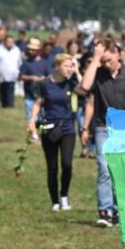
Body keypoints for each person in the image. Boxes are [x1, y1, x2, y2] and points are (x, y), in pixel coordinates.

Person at [81, 39, 125, 227]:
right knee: (104, 167)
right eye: (103, 61)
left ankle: (118, 210)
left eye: (109, 60)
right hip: (103, 127)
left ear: (117, 54)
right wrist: (96, 59)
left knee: (123, 170)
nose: (106, 64)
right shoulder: (98, 73)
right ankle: (105, 211)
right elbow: (85, 86)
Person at [29, 54, 78, 212]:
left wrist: (77, 72)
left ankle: (64, 196)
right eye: (66, 66)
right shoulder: (45, 84)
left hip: (68, 128)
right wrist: (32, 121)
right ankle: (54, 201)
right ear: (57, 66)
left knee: (67, 164)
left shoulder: (71, 83)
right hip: (49, 128)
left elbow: (85, 90)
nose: (69, 69)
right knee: (52, 167)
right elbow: (38, 103)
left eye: (71, 66)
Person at [20, 37, 51, 124]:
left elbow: (50, 76)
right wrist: (32, 78)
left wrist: (43, 79)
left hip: (42, 96)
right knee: (31, 121)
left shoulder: (44, 62)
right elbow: (21, 76)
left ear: (38, 50)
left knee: (42, 121)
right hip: (29, 96)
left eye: (33, 50)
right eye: (30, 49)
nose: (31, 51)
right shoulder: (26, 63)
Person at [0, 35, 22, 108]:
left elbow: (19, 62)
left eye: (11, 42)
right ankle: (3, 103)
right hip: (2, 75)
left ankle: (10, 105)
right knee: (3, 91)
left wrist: (19, 72)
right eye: (8, 42)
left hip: (13, 75)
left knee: (10, 91)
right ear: (5, 42)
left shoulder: (16, 50)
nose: (10, 43)